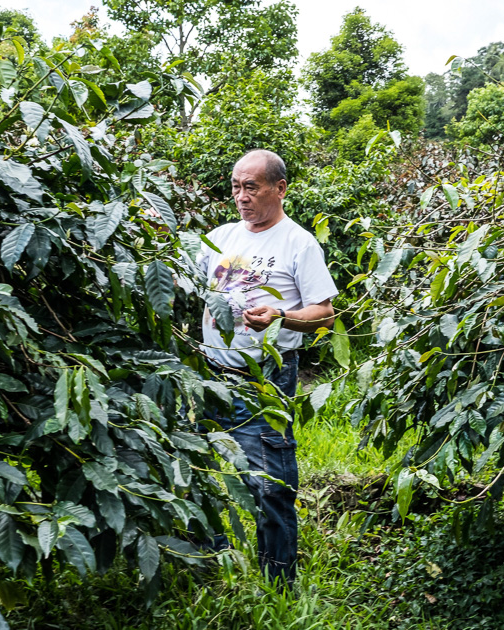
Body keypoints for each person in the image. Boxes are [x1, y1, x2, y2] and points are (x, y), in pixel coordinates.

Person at [197, 149, 338, 583]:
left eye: (251, 187)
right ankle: (208, 564)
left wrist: (281, 316)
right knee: (198, 473)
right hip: (209, 376)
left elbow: (325, 313)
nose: (241, 196)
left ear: (279, 189)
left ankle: (279, 581)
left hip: (264, 380)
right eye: (236, 187)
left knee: (270, 485)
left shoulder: (299, 243)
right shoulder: (220, 236)